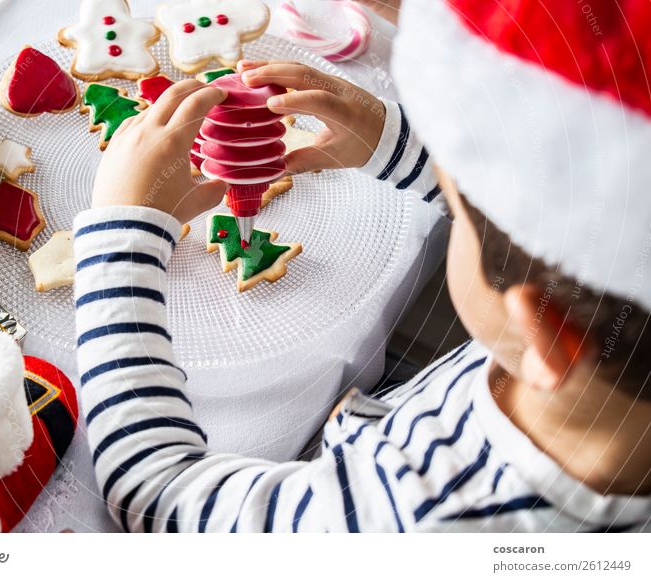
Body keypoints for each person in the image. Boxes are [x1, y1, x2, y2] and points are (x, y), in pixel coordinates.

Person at [72, 0, 651, 531]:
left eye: (460, 208)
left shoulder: (404, 523)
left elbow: (153, 494)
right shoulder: (603, 342)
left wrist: (122, 237)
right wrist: (388, 139)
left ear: (547, 333)